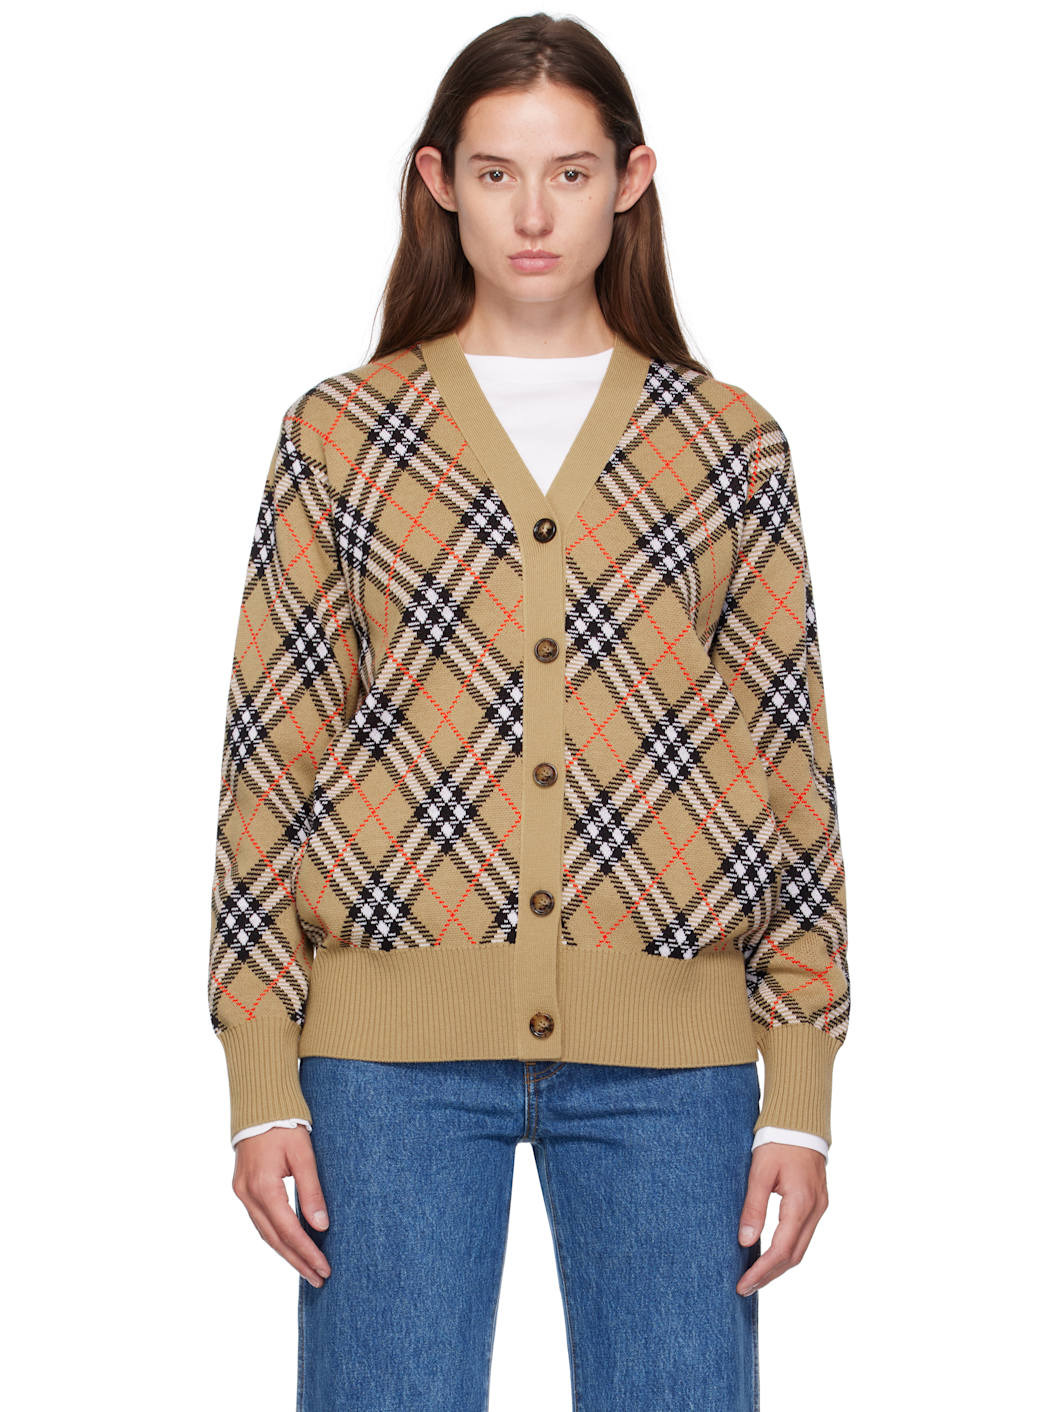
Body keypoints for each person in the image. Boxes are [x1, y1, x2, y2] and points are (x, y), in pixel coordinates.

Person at [207, 14, 849, 1410]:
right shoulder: (341, 435)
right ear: (439, 181)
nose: (535, 214)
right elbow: (271, 759)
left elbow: (789, 769)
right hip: (383, 1060)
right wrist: (260, 1077)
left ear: (632, 179)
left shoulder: (726, 442)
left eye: (570, 172)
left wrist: (800, 1093)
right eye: (497, 174)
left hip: (672, 1063)